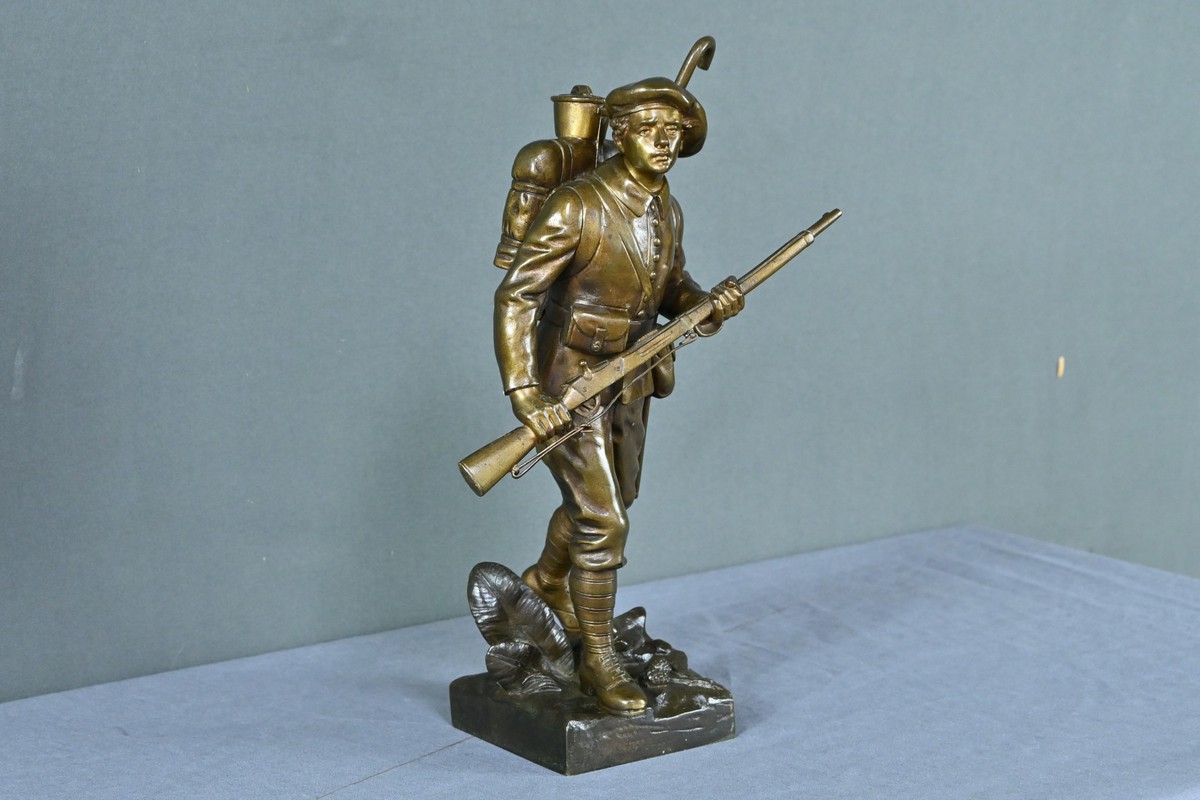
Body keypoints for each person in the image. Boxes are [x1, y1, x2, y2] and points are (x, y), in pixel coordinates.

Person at [493, 76, 744, 715]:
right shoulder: (577, 204)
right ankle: (599, 658)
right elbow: (518, 296)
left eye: (675, 132)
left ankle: (546, 581)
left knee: (611, 503)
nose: (665, 142)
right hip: (569, 382)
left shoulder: (666, 207)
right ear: (620, 134)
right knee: (604, 521)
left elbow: (671, 285)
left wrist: (706, 304)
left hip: (631, 377)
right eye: (649, 129)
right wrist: (524, 390)